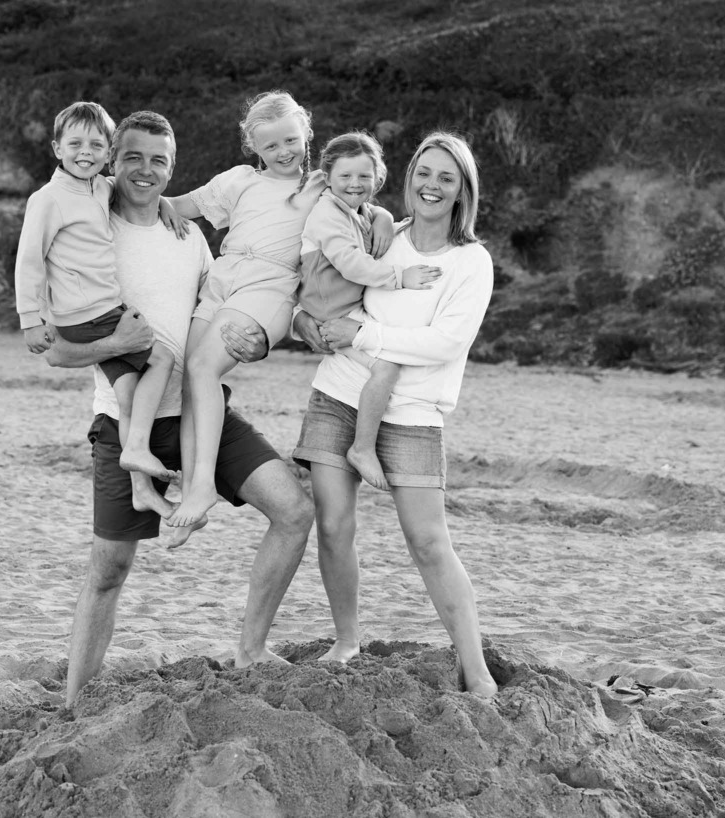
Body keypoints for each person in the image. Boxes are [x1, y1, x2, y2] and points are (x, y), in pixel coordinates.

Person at [40, 110, 314, 707]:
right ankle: (74, 703)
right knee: (110, 569)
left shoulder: (188, 236)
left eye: (158, 160)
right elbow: (55, 350)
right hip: (123, 421)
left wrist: (261, 339)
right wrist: (118, 345)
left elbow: (231, 305)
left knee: (294, 510)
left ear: (173, 168)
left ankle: (250, 649)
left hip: (200, 412)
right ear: (113, 160)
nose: (145, 170)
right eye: (133, 157)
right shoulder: (89, 231)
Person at [292, 131, 499, 696]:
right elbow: (324, 290)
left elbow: (444, 343)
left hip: (412, 413)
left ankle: (476, 670)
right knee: (333, 526)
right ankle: (347, 640)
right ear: (406, 178)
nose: (432, 186)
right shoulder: (381, 235)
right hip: (338, 394)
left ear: (463, 192)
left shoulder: (470, 261)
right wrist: (301, 325)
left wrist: (366, 334)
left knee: (429, 541)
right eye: (424, 173)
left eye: (446, 178)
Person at [158, 91, 392, 530]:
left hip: (271, 283)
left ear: (306, 133)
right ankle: (193, 482)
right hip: (223, 277)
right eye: (271, 146)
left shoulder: (321, 184)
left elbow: (361, 196)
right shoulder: (239, 180)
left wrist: (379, 216)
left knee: (205, 368)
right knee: (188, 374)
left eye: (291, 140)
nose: (283, 152)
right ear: (254, 149)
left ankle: (204, 484)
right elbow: (174, 206)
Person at [14, 101, 177, 517]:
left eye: (96, 144)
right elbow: (29, 259)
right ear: (56, 148)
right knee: (161, 358)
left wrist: (167, 204)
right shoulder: (48, 199)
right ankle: (137, 448)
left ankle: (140, 485)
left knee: (127, 391)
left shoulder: (101, 188)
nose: (84, 152)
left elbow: (141, 191)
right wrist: (31, 320)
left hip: (104, 307)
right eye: (74, 143)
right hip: (89, 313)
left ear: (108, 153)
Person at [297, 131, 443, 491]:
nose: (355, 184)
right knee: (387, 365)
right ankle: (362, 448)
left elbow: (371, 214)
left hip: (347, 307)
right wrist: (400, 276)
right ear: (327, 177)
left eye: (364, 177)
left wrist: (383, 215)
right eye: (345, 176)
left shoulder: (355, 210)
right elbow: (350, 264)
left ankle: (363, 444)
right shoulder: (325, 216)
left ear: (378, 178)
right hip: (333, 314)